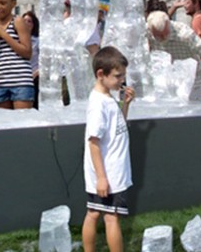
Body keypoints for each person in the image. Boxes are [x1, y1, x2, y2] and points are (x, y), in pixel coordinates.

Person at [82, 46, 135, 252]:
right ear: (101, 75)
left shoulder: (108, 97)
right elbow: (93, 142)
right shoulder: (98, 104)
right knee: (110, 217)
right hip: (109, 173)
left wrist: (126, 105)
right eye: (118, 76)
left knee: (94, 212)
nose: (122, 80)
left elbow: (116, 128)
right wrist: (102, 178)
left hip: (113, 170)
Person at [145, 11, 201, 93]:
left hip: (192, 76)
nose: (163, 38)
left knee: (189, 105)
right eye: (158, 36)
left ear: (168, 24)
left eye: (165, 34)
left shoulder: (184, 34)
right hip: (167, 74)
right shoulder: (146, 31)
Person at [0, 0, 34, 110]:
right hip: (0, 81)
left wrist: (3, 34)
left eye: (3, 3)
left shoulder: (18, 21)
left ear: (13, 4)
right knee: (4, 125)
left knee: (22, 123)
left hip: (20, 82)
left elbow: (27, 52)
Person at [22, 11, 40, 109]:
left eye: (29, 21)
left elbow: (44, 61)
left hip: (34, 78)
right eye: (24, 20)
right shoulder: (16, 40)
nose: (26, 23)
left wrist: (35, 73)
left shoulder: (37, 41)